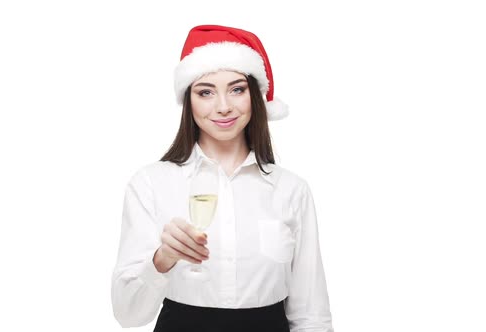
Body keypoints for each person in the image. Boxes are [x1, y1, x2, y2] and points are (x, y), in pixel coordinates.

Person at [111, 24, 334, 332]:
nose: (223, 106)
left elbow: (312, 315)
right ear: (189, 100)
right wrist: (163, 259)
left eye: (237, 89)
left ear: (255, 96)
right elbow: (127, 314)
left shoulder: (291, 190)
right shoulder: (151, 183)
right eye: (205, 92)